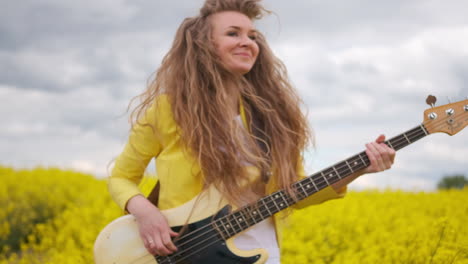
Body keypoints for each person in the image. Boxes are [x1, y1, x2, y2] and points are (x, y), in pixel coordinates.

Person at [108, 0, 396, 263]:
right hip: (185, 255)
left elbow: (292, 191)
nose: (247, 42)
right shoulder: (168, 110)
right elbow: (122, 177)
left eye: (252, 36)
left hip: (262, 254)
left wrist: (359, 169)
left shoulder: (273, 118)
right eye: (233, 34)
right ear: (202, 44)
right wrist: (145, 213)